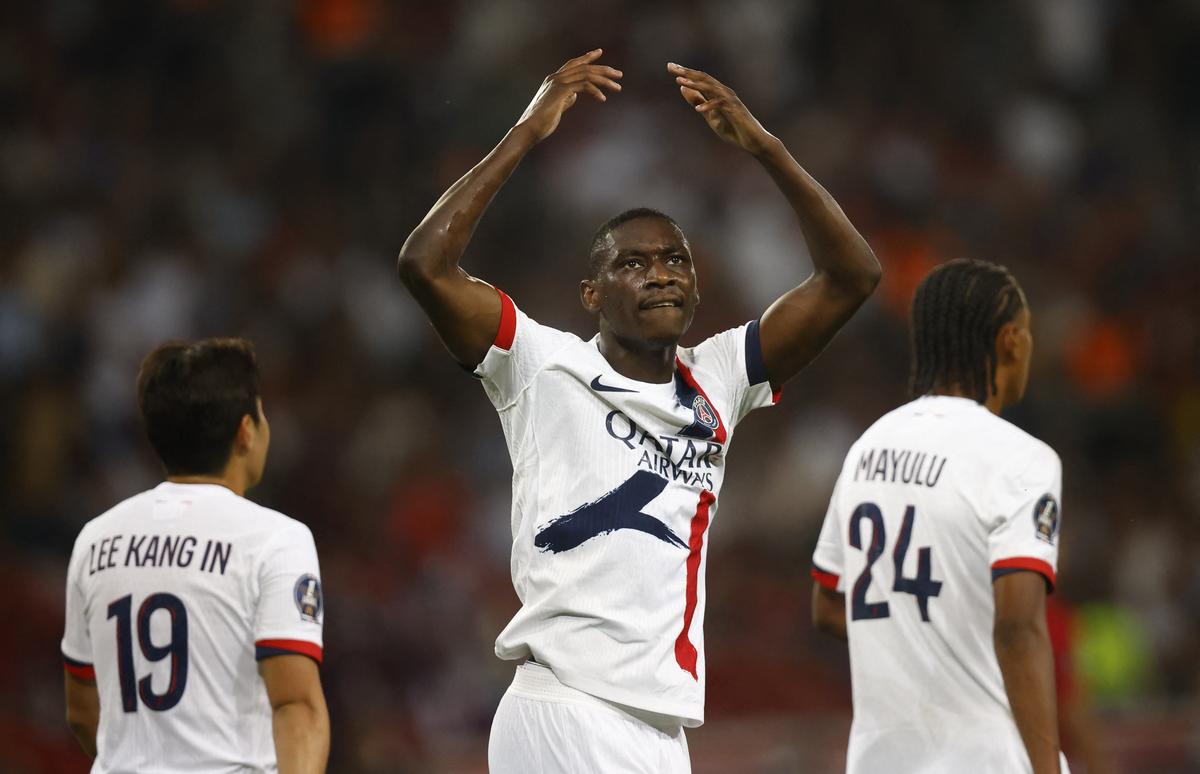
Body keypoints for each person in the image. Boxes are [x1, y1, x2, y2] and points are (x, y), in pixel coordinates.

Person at [398, 49, 880, 772]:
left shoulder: (718, 376)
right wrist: (528, 131)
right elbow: (425, 264)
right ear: (591, 293)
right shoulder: (543, 364)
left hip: (660, 729)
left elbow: (853, 275)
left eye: (676, 260)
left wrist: (766, 148)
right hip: (566, 708)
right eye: (632, 262)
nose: (660, 273)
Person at [811, 258, 1069, 773]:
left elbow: (827, 606)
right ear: (1012, 341)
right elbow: (1018, 629)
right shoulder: (1022, 459)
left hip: (879, 760)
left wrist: (913, 642)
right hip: (986, 757)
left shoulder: (869, 445)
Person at [61, 338, 329, 774]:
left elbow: (82, 710)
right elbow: (296, 705)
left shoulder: (96, 540)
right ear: (246, 430)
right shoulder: (276, 539)